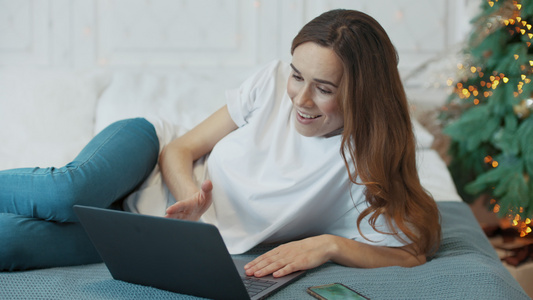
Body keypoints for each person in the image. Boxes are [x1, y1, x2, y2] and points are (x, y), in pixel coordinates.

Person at [0, 9, 441, 276]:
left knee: (11, 245)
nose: (300, 100)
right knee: (65, 192)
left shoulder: (363, 172)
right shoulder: (269, 84)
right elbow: (180, 149)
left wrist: (331, 245)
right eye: (296, 75)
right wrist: (189, 194)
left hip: (154, 233)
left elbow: (413, 252)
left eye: (323, 88)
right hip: (146, 153)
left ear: (364, 94)